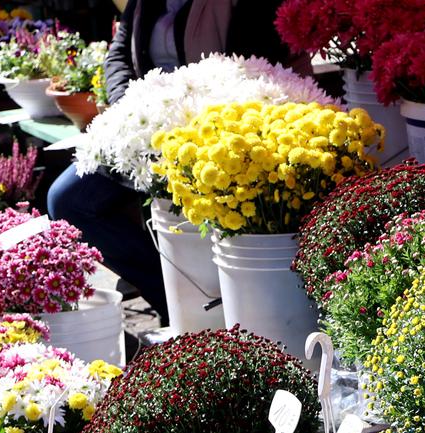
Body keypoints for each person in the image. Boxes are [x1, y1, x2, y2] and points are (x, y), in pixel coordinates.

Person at [47, 0, 296, 323]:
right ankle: (169, 298)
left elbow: (254, 66)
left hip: (214, 128)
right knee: (68, 200)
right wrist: (131, 104)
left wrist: (181, 117)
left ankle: (208, 313)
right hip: (147, 126)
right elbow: (119, 54)